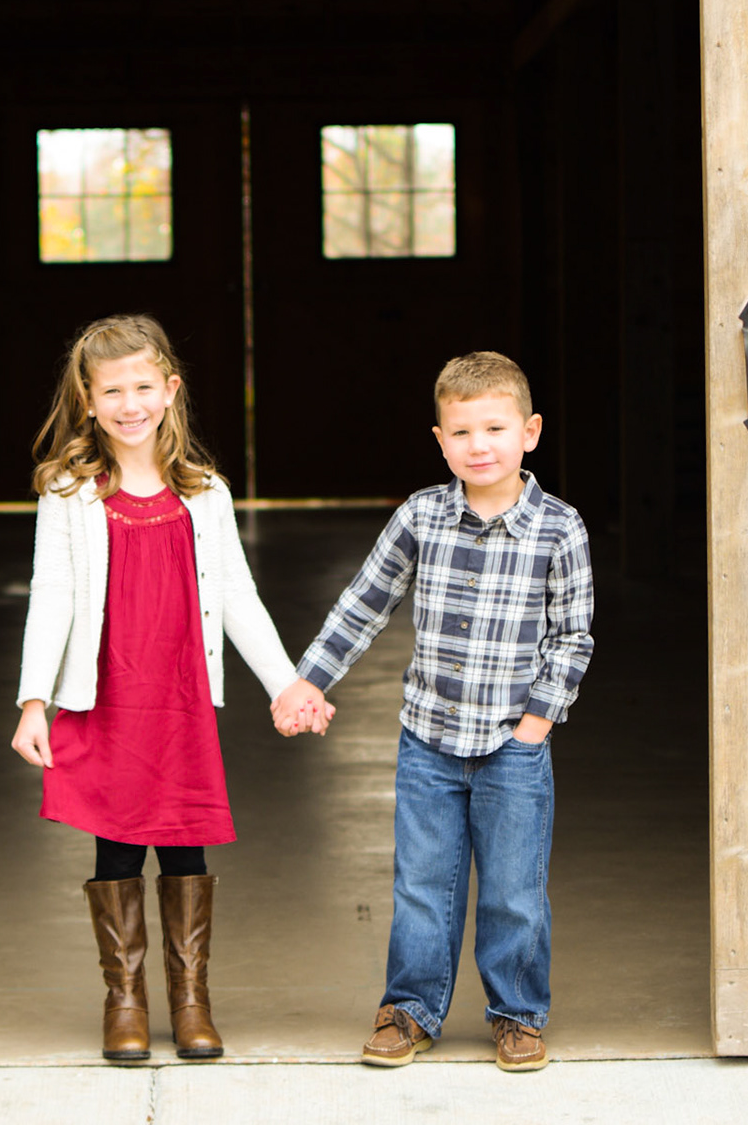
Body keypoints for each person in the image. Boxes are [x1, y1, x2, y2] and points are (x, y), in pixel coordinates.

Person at [272, 350, 593, 1074]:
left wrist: (536, 724)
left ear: (530, 432)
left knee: (514, 891)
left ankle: (518, 1014)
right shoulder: (421, 516)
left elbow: (572, 636)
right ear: (440, 441)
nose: (479, 446)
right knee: (422, 883)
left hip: (514, 743)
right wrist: (307, 681)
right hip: (428, 740)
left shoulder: (559, 528)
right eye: (462, 432)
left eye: (495, 429)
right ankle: (411, 1009)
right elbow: (364, 604)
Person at [9, 313, 314, 1063]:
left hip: (180, 699)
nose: (130, 404)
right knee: (117, 845)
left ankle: (190, 1001)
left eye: (144, 387)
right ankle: (125, 1001)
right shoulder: (69, 492)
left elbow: (237, 595)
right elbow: (52, 594)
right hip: (110, 698)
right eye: (112, 390)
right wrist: (33, 701)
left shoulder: (205, 493)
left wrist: (286, 683)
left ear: (170, 390)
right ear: (88, 399)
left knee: (183, 842)